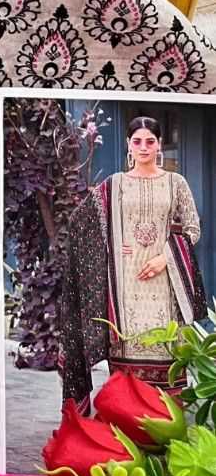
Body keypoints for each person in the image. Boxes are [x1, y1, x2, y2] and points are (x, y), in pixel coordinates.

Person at [60, 115, 204, 409]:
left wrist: (165, 258)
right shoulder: (115, 184)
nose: (144, 147)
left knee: (166, 351)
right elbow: (79, 223)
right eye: (137, 141)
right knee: (126, 358)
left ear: (159, 144)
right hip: (125, 285)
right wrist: (110, 246)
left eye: (150, 141)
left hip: (164, 284)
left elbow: (192, 229)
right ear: (128, 144)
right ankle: (127, 426)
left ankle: (165, 426)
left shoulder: (176, 183)